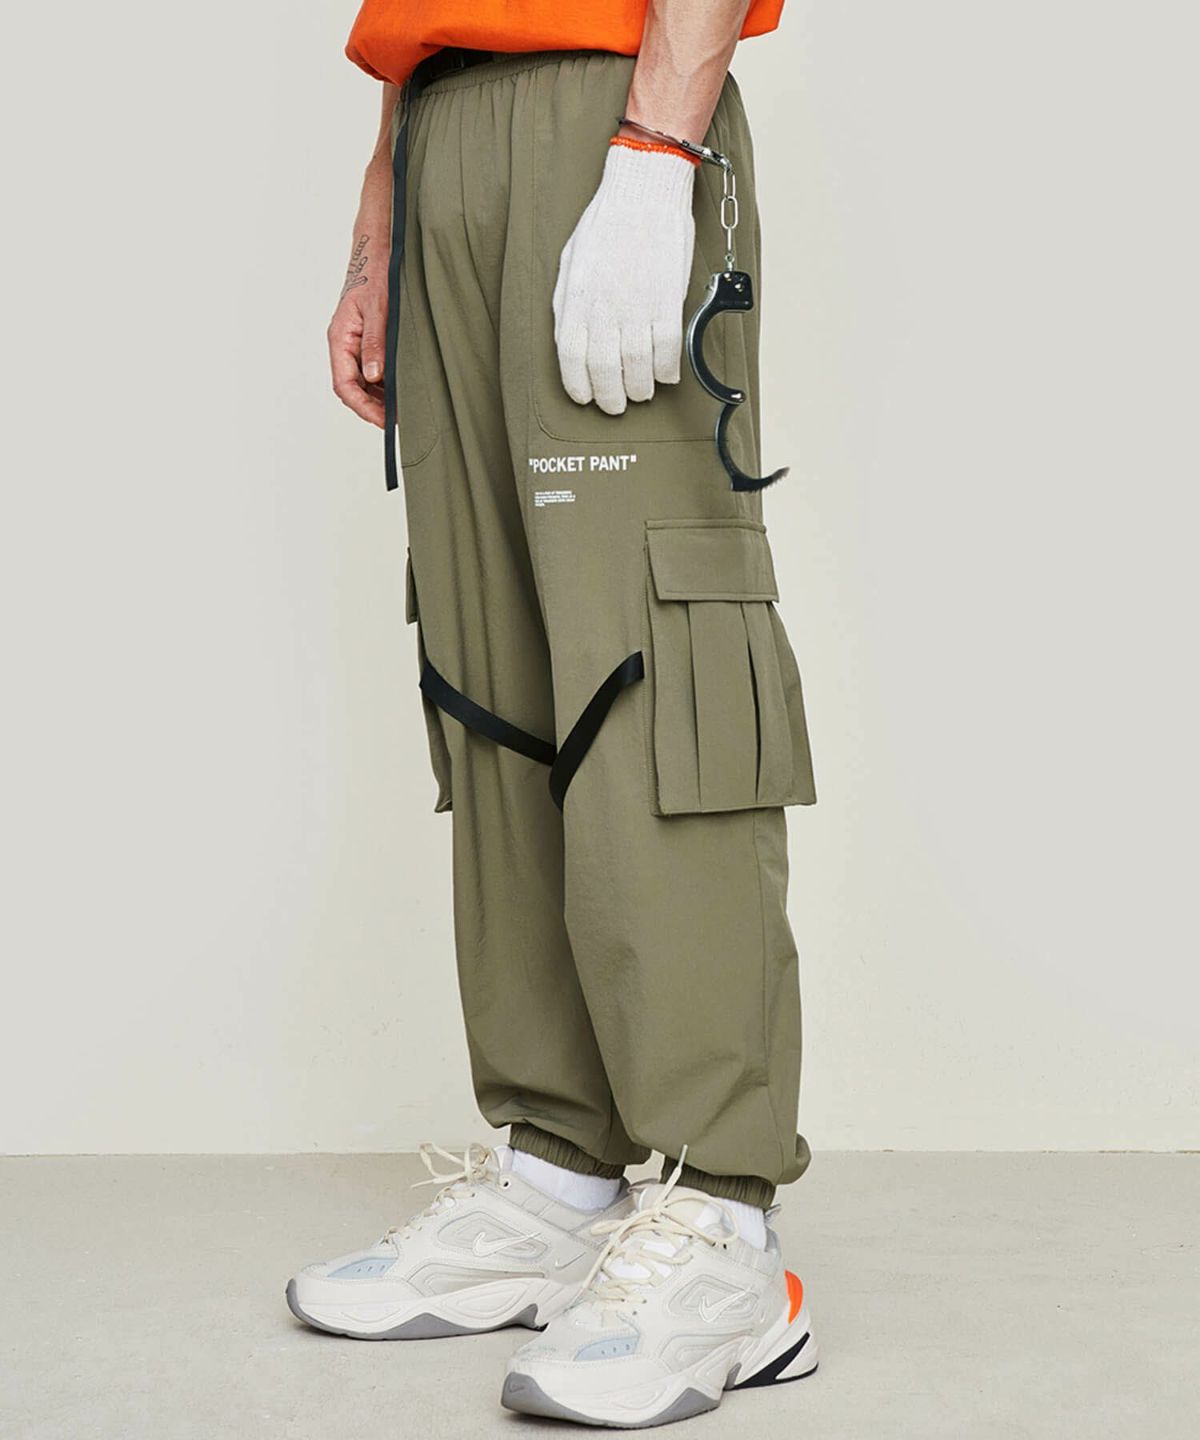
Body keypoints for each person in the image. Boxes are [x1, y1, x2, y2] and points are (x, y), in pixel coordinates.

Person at [287, 0, 821, 1425]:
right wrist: (381, 221)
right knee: (491, 657)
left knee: (648, 644)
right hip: (445, 121)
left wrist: (656, 152)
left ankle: (723, 1228)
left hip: (613, 103)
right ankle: (558, 1181)